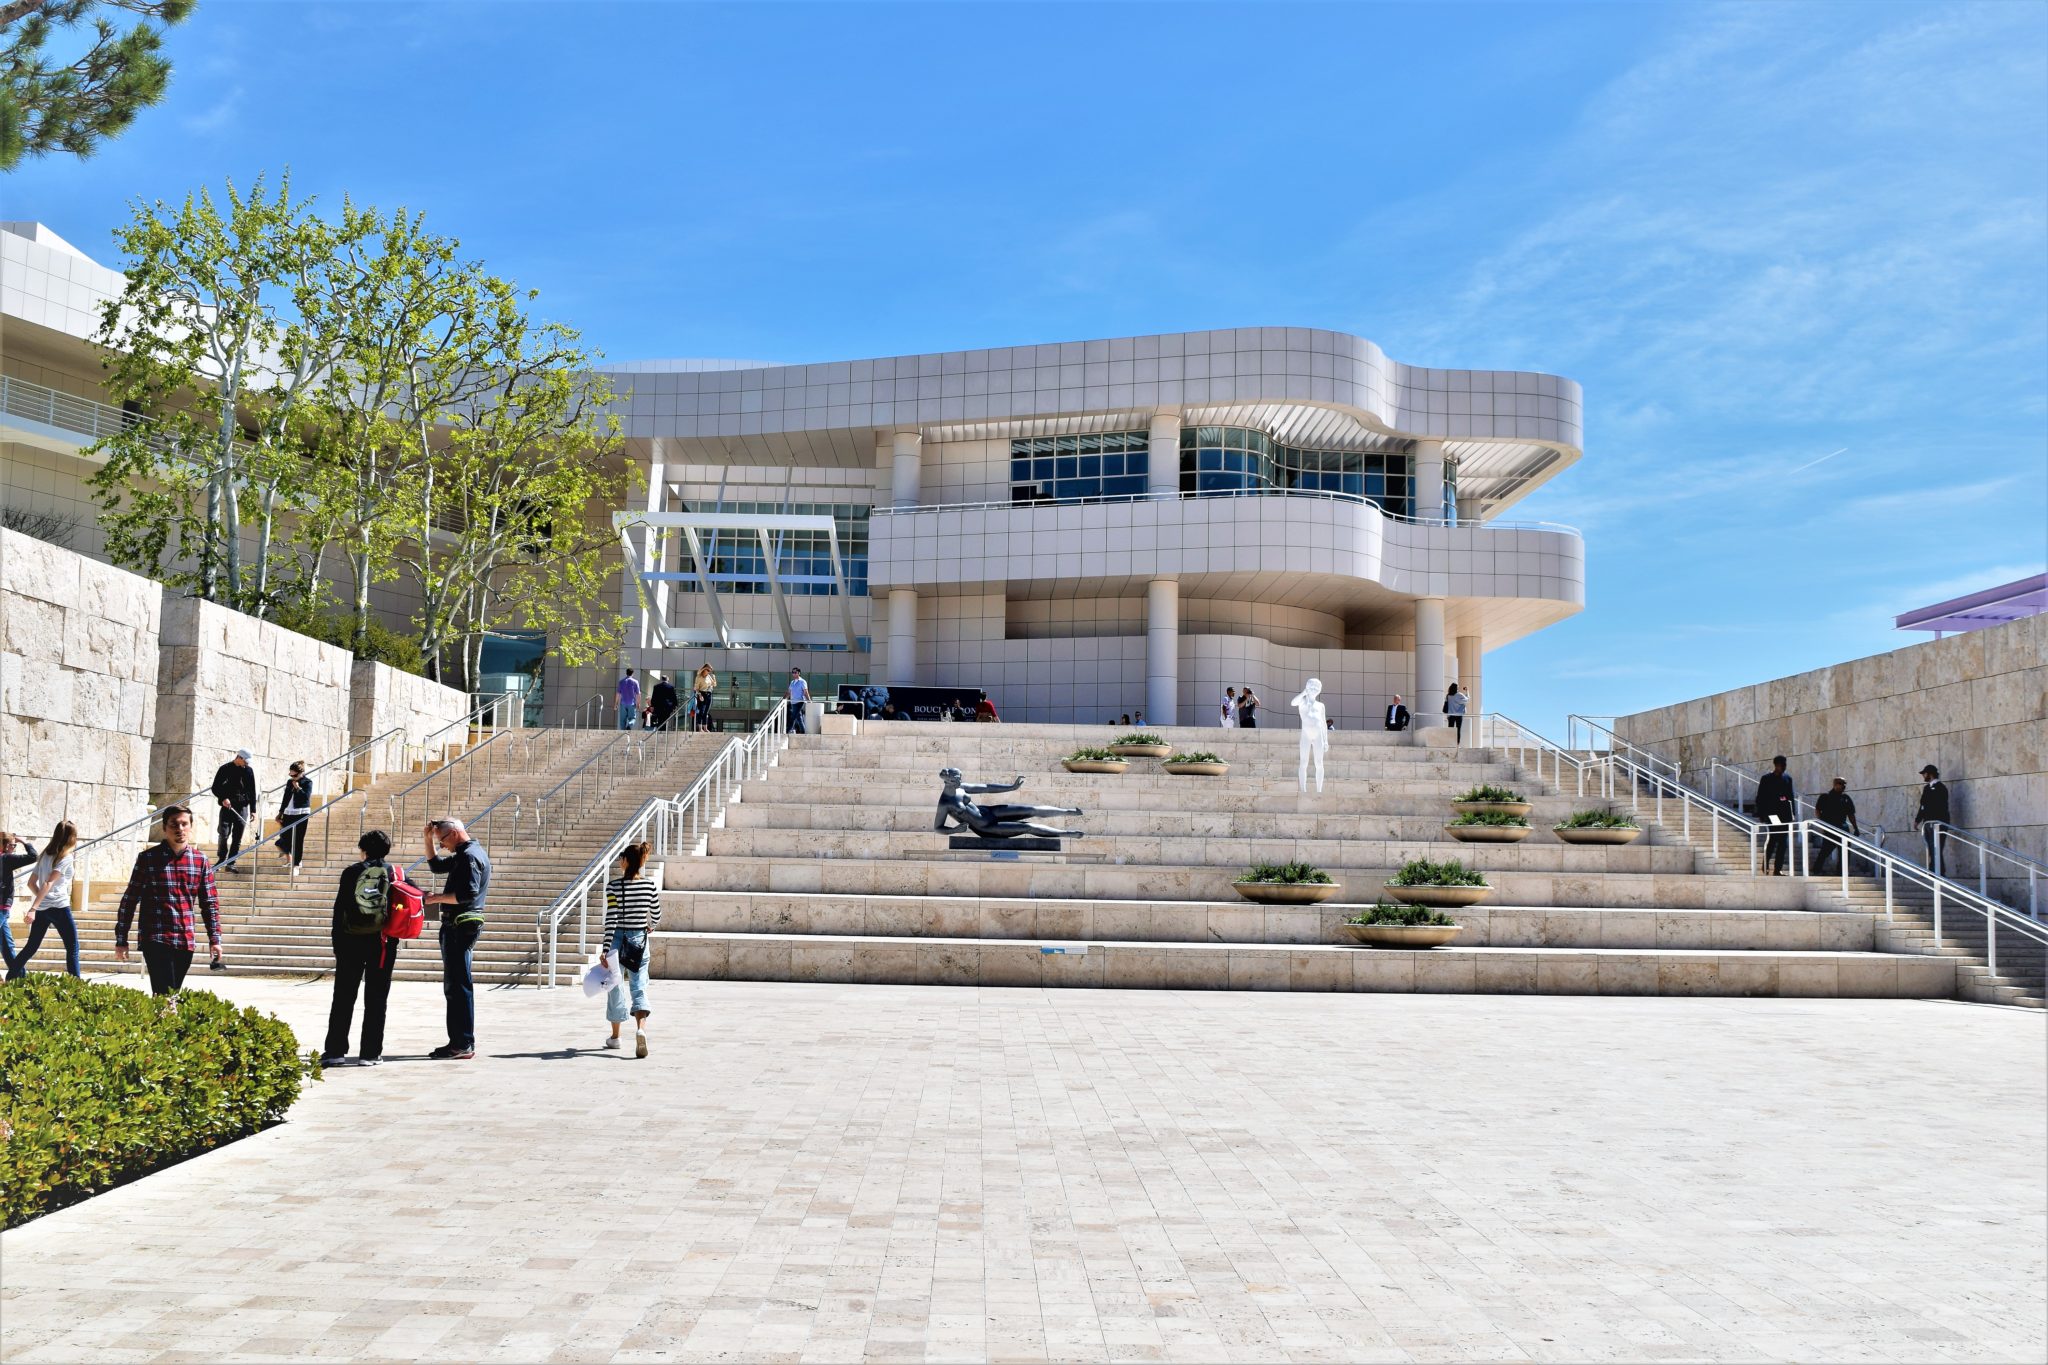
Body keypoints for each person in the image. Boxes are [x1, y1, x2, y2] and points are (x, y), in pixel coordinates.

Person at [115, 805, 223, 995]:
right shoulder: (148, 858)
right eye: (174, 824)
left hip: (184, 939)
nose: (179, 829)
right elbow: (129, 900)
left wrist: (215, 938)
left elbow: (210, 903)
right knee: (164, 993)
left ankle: (162, 1023)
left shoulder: (200, 861)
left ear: (190, 827)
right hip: (155, 937)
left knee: (171, 994)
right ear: (165, 828)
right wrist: (121, 938)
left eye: (184, 824)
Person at [325, 830, 400, 1067]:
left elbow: (340, 910)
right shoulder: (394, 873)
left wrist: (336, 943)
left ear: (363, 849)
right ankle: (370, 1053)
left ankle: (335, 1051)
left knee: (343, 997)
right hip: (382, 944)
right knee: (377, 998)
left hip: (350, 942)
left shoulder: (351, 872)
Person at [423, 818, 490, 1060]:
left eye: (442, 841)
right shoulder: (468, 852)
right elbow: (437, 867)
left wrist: (435, 898)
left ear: (453, 834)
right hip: (460, 924)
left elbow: (467, 894)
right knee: (457, 984)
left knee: (458, 985)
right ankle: (460, 1041)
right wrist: (427, 840)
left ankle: (462, 1043)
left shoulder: (469, 856)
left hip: (461, 924)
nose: (443, 847)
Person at [598, 840, 659, 1057]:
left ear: (626, 861)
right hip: (638, 940)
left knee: (615, 986)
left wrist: (605, 949)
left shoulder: (613, 887)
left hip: (616, 939)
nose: (619, 861)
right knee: (639, 985)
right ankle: (641, 1029)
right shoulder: (649, 886)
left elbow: (611, 919)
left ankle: (615, 1037)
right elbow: (657, 914)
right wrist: (650, 926)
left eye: (621, 858)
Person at [10, 820, 81, 979]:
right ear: (71, 837)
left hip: (43, 908)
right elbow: (49, 882)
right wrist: (33, 908)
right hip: (59, 907)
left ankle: (9, 978)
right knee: (73, 947)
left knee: (31, 947)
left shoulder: (44, 855)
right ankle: (77, 985)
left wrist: (41, 902)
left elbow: (31, 883)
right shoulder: (66, 857)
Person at [0, 829, 40, 973]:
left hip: (3, 908)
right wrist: (24, 841)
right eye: (12, 845)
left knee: (7, 944)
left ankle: (19, 979)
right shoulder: (6, 859)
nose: (13, 848)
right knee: (7, 944)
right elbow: (33, 856)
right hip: (2, 907)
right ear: (4, 845)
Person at [211, 748, 257, 872]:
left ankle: (231, 862)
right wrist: (223, 798)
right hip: (227, 807)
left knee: (237, 837)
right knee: (223, 834)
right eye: (245, 761)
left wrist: (253, 809)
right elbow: (215, 787)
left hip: (242, 807)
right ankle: (221, 859)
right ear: (239, 758)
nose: (247, 764)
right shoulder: (224, 769)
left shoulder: (248, 771)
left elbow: (252, 790)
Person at [1754, 755, 1797, 875]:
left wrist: (1792, 813)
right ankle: (1766, 865)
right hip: (1771, 814)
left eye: (1785, 765)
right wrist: (1761, 814)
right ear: (1776, 765)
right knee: (1773, 839)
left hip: (1784, 815)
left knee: (1783, 842)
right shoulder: (1766, 778)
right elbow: (1760, 797)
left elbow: (1790, 797)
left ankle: (1777, 869)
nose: (1784, 767)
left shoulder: (1788, 779)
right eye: (1781, 765)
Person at [1812, 778, 1861, 877]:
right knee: (1826, 850)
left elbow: (1851, 815)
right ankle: (1816, 869)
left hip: (1843, 828)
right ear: (1835, 784)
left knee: (1845, 851)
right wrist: (1822, 824)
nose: (1843, 786)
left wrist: (1856, 828)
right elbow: (1817, 811)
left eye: (1844, 784)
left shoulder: (1846, 798)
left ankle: (1842, 872)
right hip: (1830, 828)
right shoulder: (1825, 797)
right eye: (1841, 784)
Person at [276, 760, 313, 877]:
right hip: (288, 813)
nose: (292, 777)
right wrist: (280, 812)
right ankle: (292, 858)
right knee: (285, 837)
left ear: (301, 773)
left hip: (301, 813)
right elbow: (286, 798)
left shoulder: (307, 782)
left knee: (298, 839)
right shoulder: (289, 782)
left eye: (294, 775)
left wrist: (298, 788)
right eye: (290, 774)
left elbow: (306, 798)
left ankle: (296, 864)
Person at [1913, 764, 1951, 872]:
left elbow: (1940, 806)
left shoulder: (1940, 788)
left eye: (1924, 774)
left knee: (1936, 848)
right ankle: (1936, 871)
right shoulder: (1927, 788)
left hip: (1938, 823)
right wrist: (1917, 820)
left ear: (1930, 774)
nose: (1923, 776)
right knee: (1931, 848)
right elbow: (1923, 806)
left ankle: (1937, 872)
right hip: (1928, 823)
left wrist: (1937, 822)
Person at [692, 664, 717, 732]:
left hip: (709, 695)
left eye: (710, 671)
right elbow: (696, 688)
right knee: (701, 712)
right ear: (704, 669)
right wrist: (700, 695)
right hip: (702, 694)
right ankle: (700, 728)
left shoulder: (709, 676)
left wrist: (713, 678)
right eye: (708, 670)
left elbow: (714, 684)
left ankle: (705, 728)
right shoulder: (699, 677)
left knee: (706, 712)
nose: (709, 672)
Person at [787, 668, 811, 734]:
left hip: (800, 701)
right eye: (793, 672)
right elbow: (789, 692)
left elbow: (806, 692)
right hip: (793, 702)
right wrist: (783, 699)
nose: (794, 674)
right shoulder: (792, 682)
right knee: (799, 717)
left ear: (799, 673)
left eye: (795, 672)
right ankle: (803, 731)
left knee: (793, 716)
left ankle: (787, 730)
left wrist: (809, 701)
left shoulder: (802, 681)